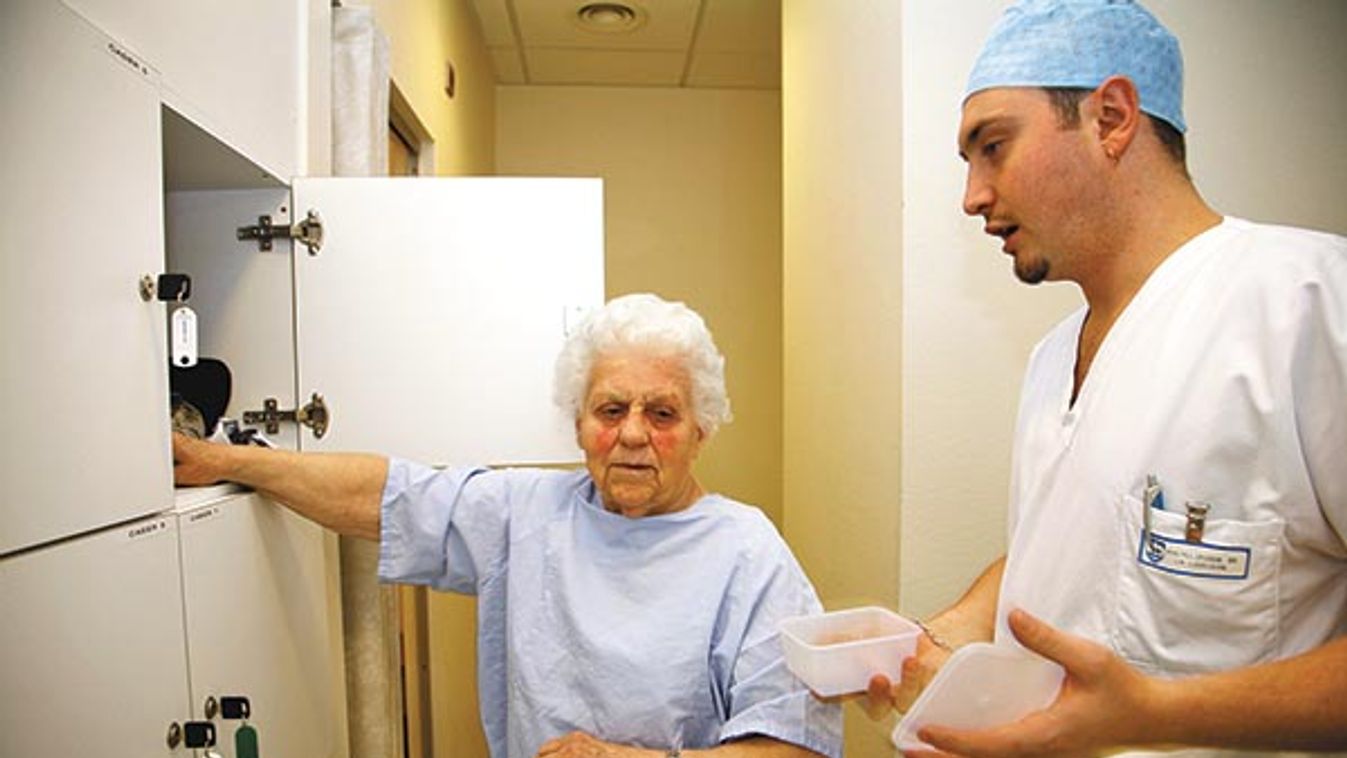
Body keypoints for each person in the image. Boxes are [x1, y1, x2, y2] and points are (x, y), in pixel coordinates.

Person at [858, 1, 1347, 755]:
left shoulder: (1308, 305)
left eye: (992, 146)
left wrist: (1156, 714)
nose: (972, 197)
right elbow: (1069, 549)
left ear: (1111, 118)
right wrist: (944, 631)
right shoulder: (1054, 357)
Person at [174, 293, 842, 758]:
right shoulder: (527, 512)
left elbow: (795, 746)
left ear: (701, 429)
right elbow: (381, 494)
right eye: (609, 410)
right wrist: (223, 461)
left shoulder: (747, 553)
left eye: (661, 414)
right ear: (578, 424)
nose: (632, 434)